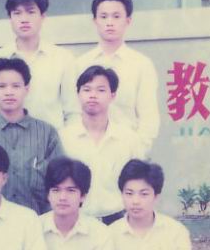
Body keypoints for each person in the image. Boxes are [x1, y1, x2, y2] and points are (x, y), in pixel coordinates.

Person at [0, 57, 64, 214]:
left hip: (37, 220)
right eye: (2, 86)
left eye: (16, 86)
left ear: (26, 89)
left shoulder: (47, 133)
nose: (9, 92)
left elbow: (59, 181)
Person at [69, 0, 159, 152]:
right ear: (95, 20)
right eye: (103, 16)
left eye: (116, 16)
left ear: (128, 21)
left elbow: (149, 117)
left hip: (127, 151)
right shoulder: (80, 64)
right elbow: (74, 112)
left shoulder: (141, 65)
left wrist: (137, 153)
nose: (109, 22)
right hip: (86, 150)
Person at [60, 65, 146, 224]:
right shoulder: (63, 138)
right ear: (78, 94)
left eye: (100, 90)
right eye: (87, 89)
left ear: (112, 95)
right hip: (76, 221)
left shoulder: (129, 139)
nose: (93, 95)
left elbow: (141, 184)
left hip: (118, 221)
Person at [2, 0, 75, 130]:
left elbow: (73, 112)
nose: (24, 19)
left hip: (51, 141)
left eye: (31, 12)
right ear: (10, 18)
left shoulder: (63, 59)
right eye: (17, 13)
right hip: (7, 141)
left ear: (43, 16)